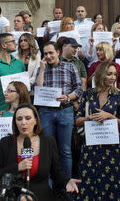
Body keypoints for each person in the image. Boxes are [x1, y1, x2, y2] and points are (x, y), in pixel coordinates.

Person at [0, 103, 80, 200]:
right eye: (19, 119)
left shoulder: (48, 142)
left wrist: (67, 181)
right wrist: (17, 167)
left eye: (28, 118)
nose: (23, 122)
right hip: (13, 195)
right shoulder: (5, 142)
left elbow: (56, 172)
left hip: (40, 196)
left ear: (36, 120)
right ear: (15, 122)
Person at [75, 62, 120, 200]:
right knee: (90, 183)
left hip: (112, 148)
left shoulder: (119, 96)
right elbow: (77, 121)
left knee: (113, 185)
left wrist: (110, 117)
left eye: (115, 74)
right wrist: (89, 118)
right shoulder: (88, 94)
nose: (113, 77)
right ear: (100, 75)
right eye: (109, 74)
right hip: (91, 147)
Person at [35, 42, 83, 177]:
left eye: (51, 53)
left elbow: (79, 89)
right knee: (47, 149)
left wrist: (68, 97)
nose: (48, 56)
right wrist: (43, 69)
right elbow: (37, 88)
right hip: (46, 112)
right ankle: (50, 184)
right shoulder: (42, 69)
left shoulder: (70, 67)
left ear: (58, 52)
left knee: (66, 150)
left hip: (65, 110)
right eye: (45, 54)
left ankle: (67, 183)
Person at [0, 33, 26, 118]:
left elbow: (24, 88)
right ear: (4, 45)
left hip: (20, 112)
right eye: (13, 41)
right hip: (1, 112)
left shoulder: (20, 63)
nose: (16, 43)